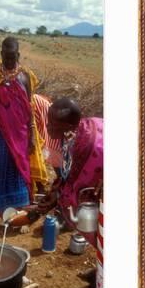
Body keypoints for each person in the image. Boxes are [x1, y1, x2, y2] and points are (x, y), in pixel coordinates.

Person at [0, 37, 47, 227]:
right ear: (1, 54)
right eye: (6, 57)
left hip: (20, 135)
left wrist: (32, 135)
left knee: (19, 173)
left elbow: (29, 109)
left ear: (18, 55)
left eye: (13, 57)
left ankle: (20, 218)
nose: (9, 62)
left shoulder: (25, 77)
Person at [38, 97, 103, 245]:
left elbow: (78, 187)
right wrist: (55, 191)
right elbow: (68, 172)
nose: (47, 127)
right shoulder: (73, 133)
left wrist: (58, 198)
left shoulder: (88, 147)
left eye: (52, 124)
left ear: (66, 126)